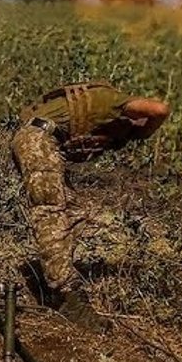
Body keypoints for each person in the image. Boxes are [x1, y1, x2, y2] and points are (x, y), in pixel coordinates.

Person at [11, 81, 170, 330]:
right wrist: (145, 131)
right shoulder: (110, 101)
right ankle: (66, 296)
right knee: (51, 212)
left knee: (74, 211)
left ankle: (55, 274)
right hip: (38, 138)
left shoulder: (98, 110)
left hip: (40, 138)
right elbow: (159, 110)